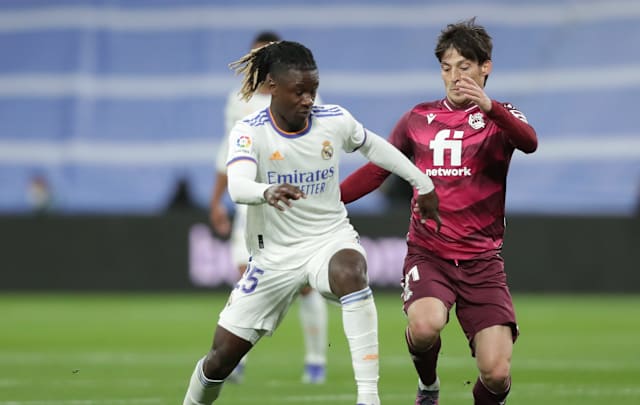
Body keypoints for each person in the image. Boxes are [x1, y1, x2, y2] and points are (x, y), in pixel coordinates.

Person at [183, 40, 441, 405]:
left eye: (313, 90)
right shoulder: (249, 131)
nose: (308, 99)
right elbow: (238, 185)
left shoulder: (333, 119)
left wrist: (422, 182)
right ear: (272, 86)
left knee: (352, 270)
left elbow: (375, 147)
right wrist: (266, 190)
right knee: (220, 359)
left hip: (327, 239)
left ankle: (369, 398)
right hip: (273, 257)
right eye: (299, 91)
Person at [341, 18, 538, 405]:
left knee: (496, 375)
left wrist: (490, 107)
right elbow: (379, 169)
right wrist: (328, 199)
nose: (454, 76)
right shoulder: (418, 118)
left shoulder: (502, 116)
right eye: (447, 68)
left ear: (486, 68)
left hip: (482, 261)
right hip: (430, 253)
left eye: (464, 66)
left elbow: (529, 142)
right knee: (427, 325)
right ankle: (428, 386)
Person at [208, 30, 329, 385]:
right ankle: (235, 360)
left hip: (294, 202)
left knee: (305, 284)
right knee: (247, 279)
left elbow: (323, 146)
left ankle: (316, 362)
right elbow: (228, 152)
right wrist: (216, 200)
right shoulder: (239, 101)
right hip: (253, 200)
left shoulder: (304, 95)